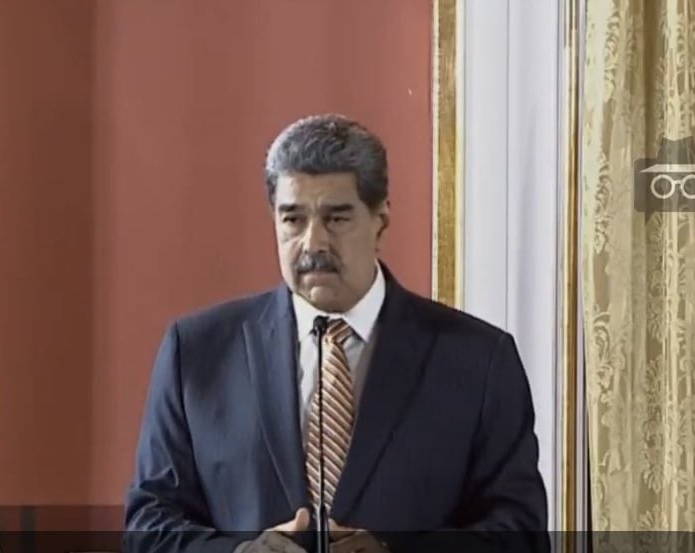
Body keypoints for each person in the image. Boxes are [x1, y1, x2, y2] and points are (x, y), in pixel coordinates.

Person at [123, 114, 547, 553]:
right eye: (292, 219)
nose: (313, 243)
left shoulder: (479, 360)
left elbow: (521, 532)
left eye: (337, 219)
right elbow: (148, 524)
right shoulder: (196, 353)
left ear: (381, 218)